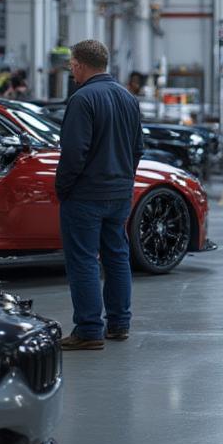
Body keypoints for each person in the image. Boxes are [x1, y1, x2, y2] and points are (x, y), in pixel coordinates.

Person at [56, 39, 145, 351]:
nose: (71, 70)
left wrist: (63, 188)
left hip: (85, 195)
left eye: (71, 65)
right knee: (117, 257)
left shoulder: (82, 99)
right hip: (120, 194)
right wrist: (123, 179)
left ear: (80, 64)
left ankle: (90, 330)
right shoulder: (128, 98)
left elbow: (73, 154)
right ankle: (119, 324)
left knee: (83, 261)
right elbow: (137, 149)